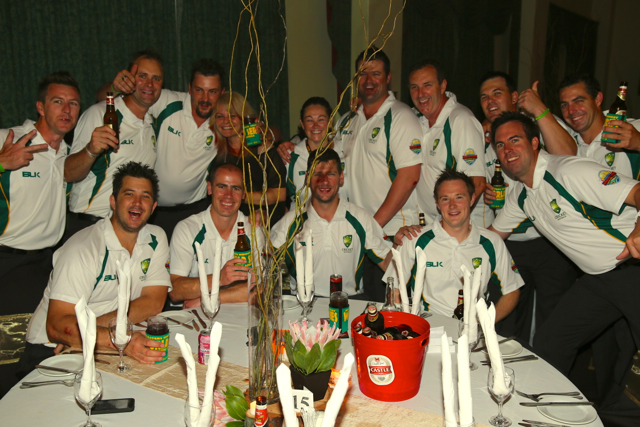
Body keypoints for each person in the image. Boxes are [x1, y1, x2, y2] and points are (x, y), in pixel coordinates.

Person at [488, 112, 640, 419]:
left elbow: (637, 191)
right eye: (500, 145)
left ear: (535, 142)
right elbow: (488, 239)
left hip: (632, 271)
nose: (507, 150)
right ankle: (548, 417)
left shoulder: (569, 171)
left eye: (515, 140)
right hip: (598, 281)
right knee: (550, 343)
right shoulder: (521, 195)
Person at [23, 162, 171, 374]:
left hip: (96, 341)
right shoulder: (83, 249)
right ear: (113, 201)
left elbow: (153, 302)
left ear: (154, 206)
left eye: (145, 196)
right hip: (49, 350)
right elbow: (56, 326)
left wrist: (86, 332)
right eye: (129, 194)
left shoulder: (156, 238)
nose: (137, 203)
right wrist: (117, 338)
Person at [479, 71, 578, 343]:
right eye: (484, 97)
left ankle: (550, 366)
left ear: (514, 96)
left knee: (553, 318)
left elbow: (569, 157)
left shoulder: (538, 124)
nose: (490, 101)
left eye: (497, 93)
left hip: (549, 239)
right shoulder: (485, 138)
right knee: (508, 318)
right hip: (509, 240)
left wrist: (539, 109)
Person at [334, 47, 422, 301]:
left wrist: (370, 227)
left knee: (395, 312)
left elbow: (409, 177)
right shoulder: (347, 120)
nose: (369, 80)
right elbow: (332, 169)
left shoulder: (401, 116)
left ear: (388, 77)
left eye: (376, 74)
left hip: (394, 235)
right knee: (365, 311)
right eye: (362, 74)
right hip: (361, 238)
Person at [112, 59, 226, 241]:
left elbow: (253, 131)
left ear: (222, 92)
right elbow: (111, 99)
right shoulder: (167, 101)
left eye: (212, 92)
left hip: (195, 211)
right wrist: (115, 87)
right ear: (190, 89)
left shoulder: (224, 121)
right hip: (153, 212)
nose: (205, 99)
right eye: (199, 90)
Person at [388, 169, 522, 319]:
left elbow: (512, 290)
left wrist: (484, 324)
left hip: (471, 328)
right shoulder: (414, 238)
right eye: (445, 199)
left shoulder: (492, 242)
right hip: (427, 327)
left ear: (472, 199)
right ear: (437, 203)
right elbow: (393, 288)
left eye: (459, 197)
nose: (452, 205)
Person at [0, 71, 81, 316]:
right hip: (8, 258)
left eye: (73, 103)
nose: (66, 109)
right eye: (58, 101)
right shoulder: (8, 139)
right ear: (40, 107)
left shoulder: (70, 155)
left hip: (47, 262)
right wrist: (1, 163)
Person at [65, 50, 162, 238]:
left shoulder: (152, 123)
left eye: (156, 78)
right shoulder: (100, 114)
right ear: (129, 78)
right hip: (90, 225)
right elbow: (68, 173)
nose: (149, 84)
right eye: (142, 76)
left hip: (128, 228)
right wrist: (90, 150)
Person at [271, 148, 391, 297]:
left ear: (341, 178)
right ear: (307, 178)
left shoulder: (361, 218)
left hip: (350, 303)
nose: (324, 181)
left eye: (331, 174)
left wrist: (402, 242)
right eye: (317, 174)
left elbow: (388, 263)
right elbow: (265, 264)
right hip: (304, 305)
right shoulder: (289, 222)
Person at [169, 163, 263, 307]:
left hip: (239, 314)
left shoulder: (253, 230)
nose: (228, 195)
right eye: (222, 186)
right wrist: (219, 278)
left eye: (236, 188)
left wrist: (207, 300)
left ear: (244, 194)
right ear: (209, 188)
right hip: (196, 317)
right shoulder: (187, 229)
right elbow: (175, 291)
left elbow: (262, 287)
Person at [408, 59, 487, 227]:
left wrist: (449, 226)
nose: (420, 94)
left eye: (427, 85)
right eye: (414, 87)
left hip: (462, 228)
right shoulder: (416, 119)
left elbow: (477, 183)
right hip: (432, 227)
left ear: (443, 86)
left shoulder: (461, 120)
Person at [209, 92, 287, 227]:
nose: (226, 121)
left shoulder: (262, 148)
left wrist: (237, 197)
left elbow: (279, 194)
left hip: (267, 222)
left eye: (233, 116)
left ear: (244, 118)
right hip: (232, 224)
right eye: (220, 116)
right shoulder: (218, 154)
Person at [559, 73, 640, 177]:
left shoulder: (629, 130)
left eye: (579, 101)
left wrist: (638, 143)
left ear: (598, 99)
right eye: (564, 105)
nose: (571, 111)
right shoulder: (565, 142)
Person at [286, 97, 347, 206]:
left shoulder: (346, 149)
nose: (315, 126)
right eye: (309, 120)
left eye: (321, 119)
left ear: (330, 121)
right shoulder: (290, 157)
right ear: (302, 123)